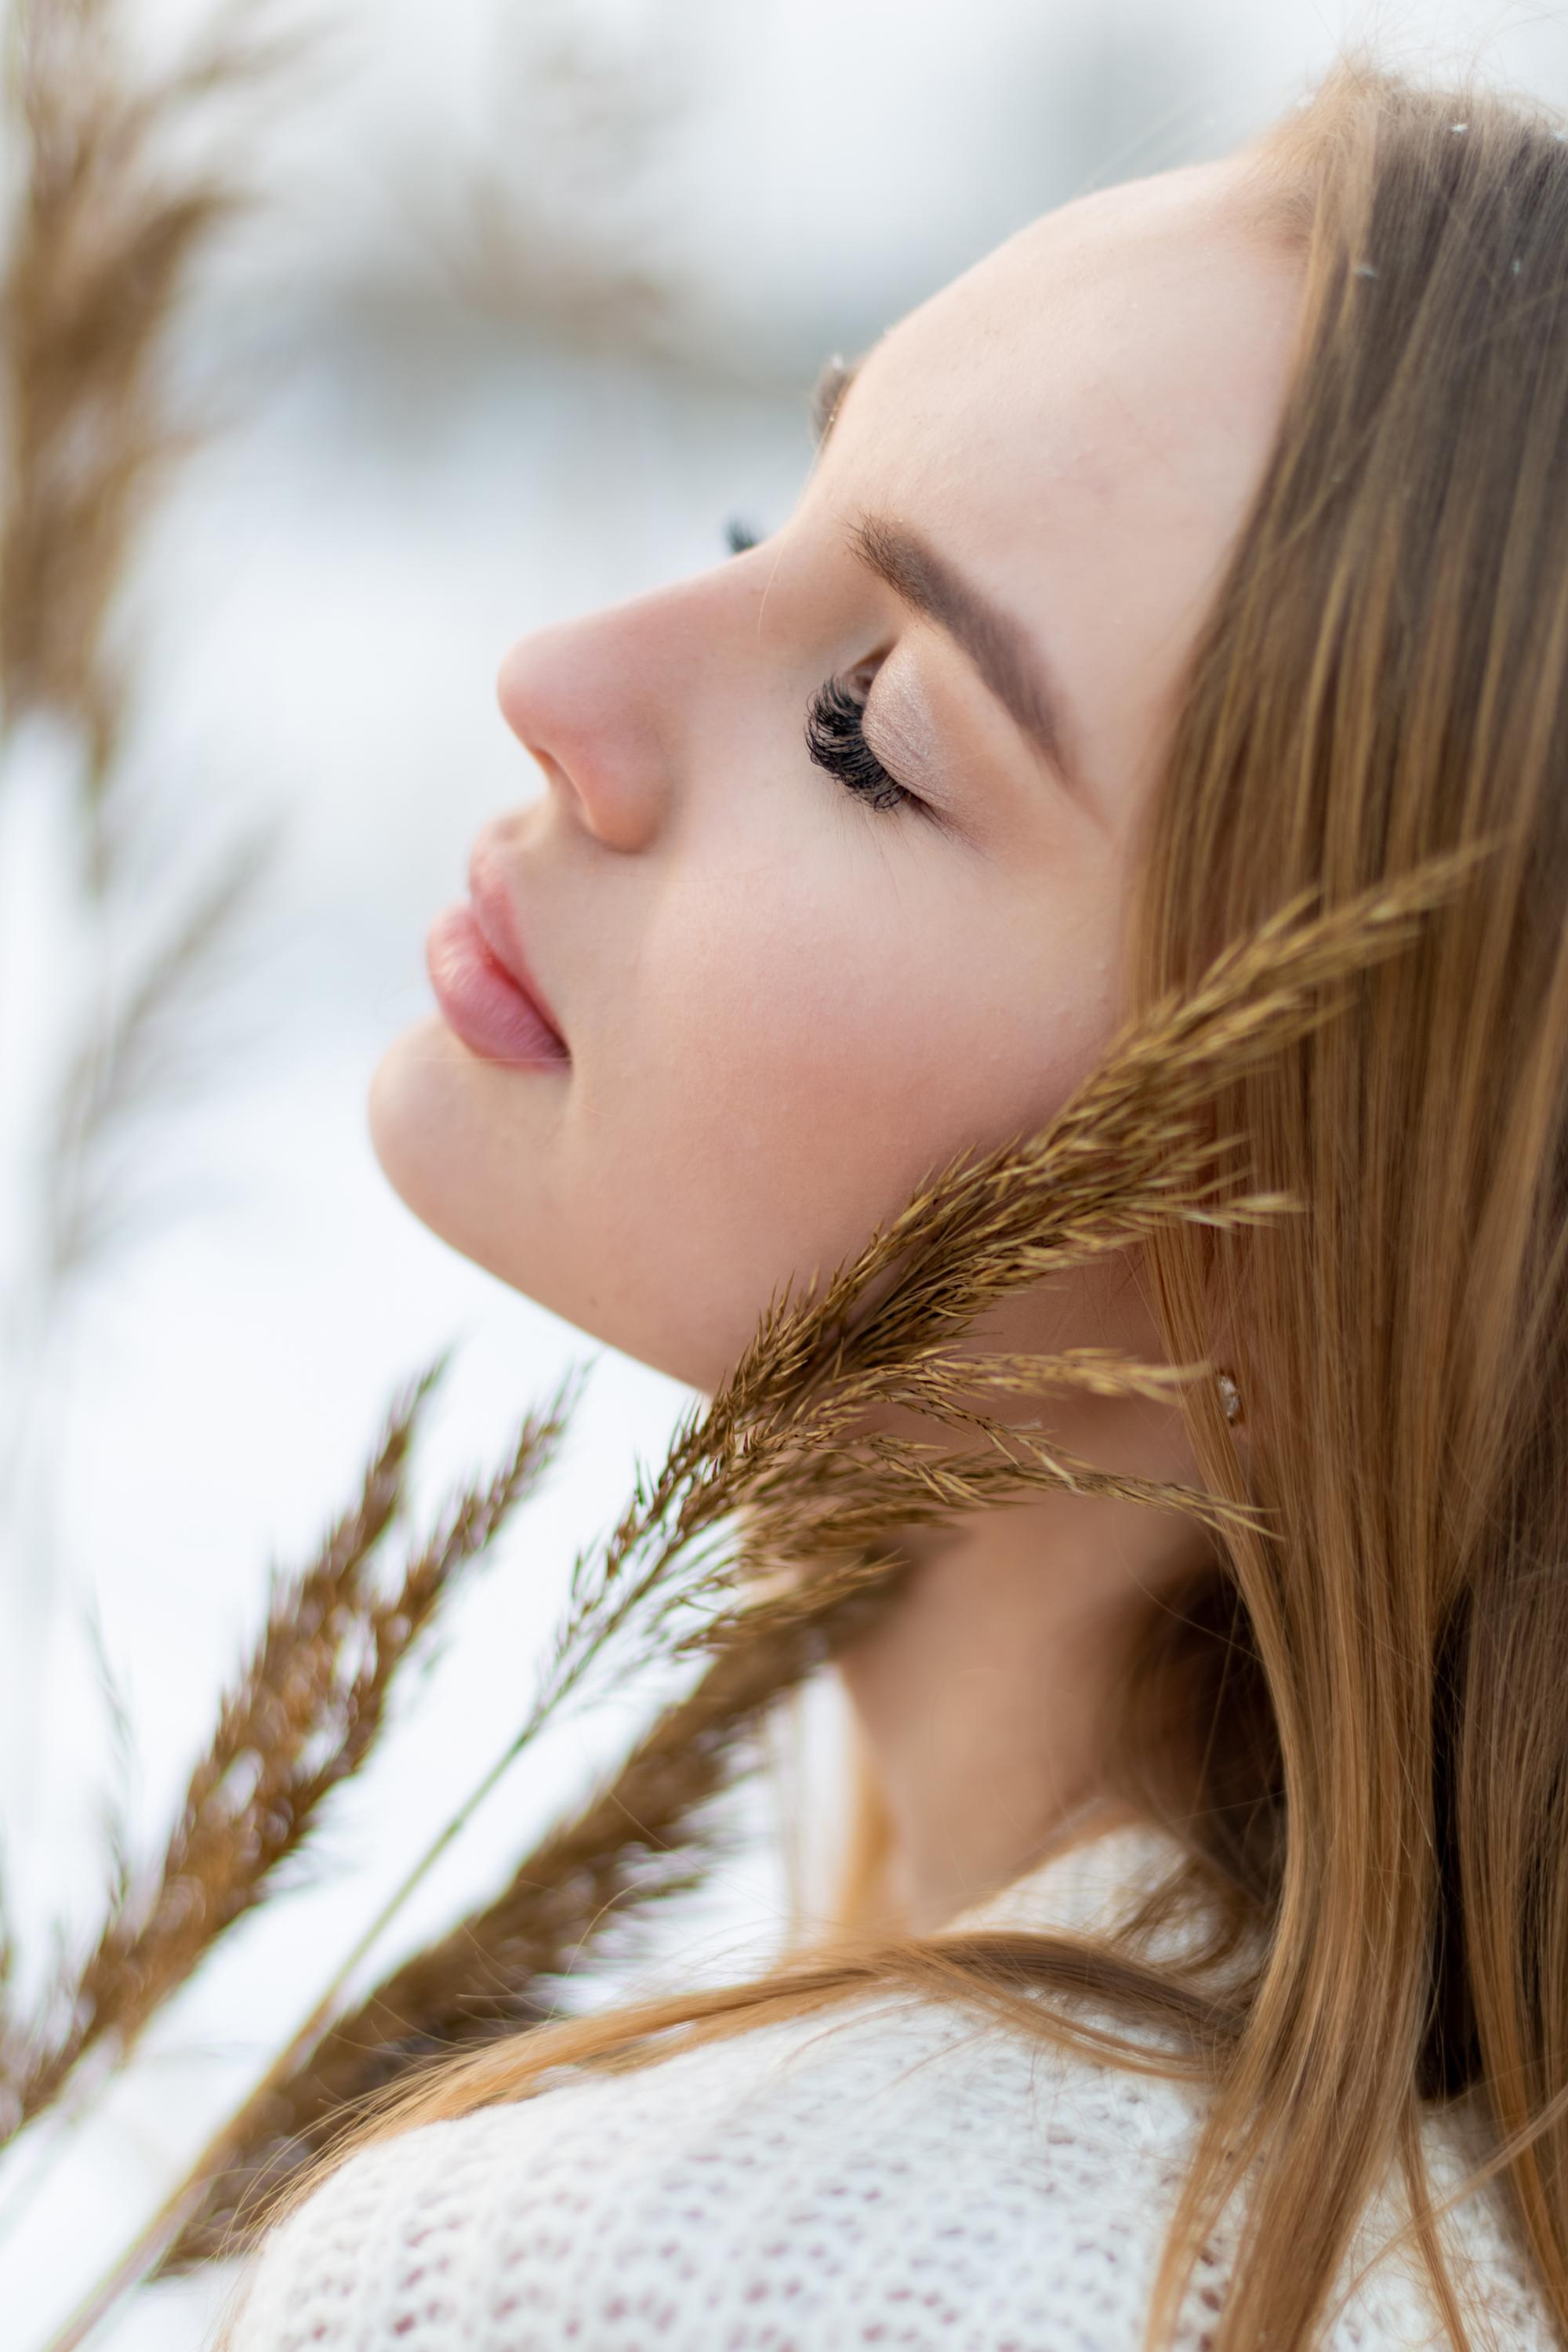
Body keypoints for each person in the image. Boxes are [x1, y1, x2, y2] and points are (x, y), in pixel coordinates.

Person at [220, 53, 1568, 2352]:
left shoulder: (662, 2270)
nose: (562, 686)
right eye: (775, 514)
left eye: (872, 728)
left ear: (1346, 1242)